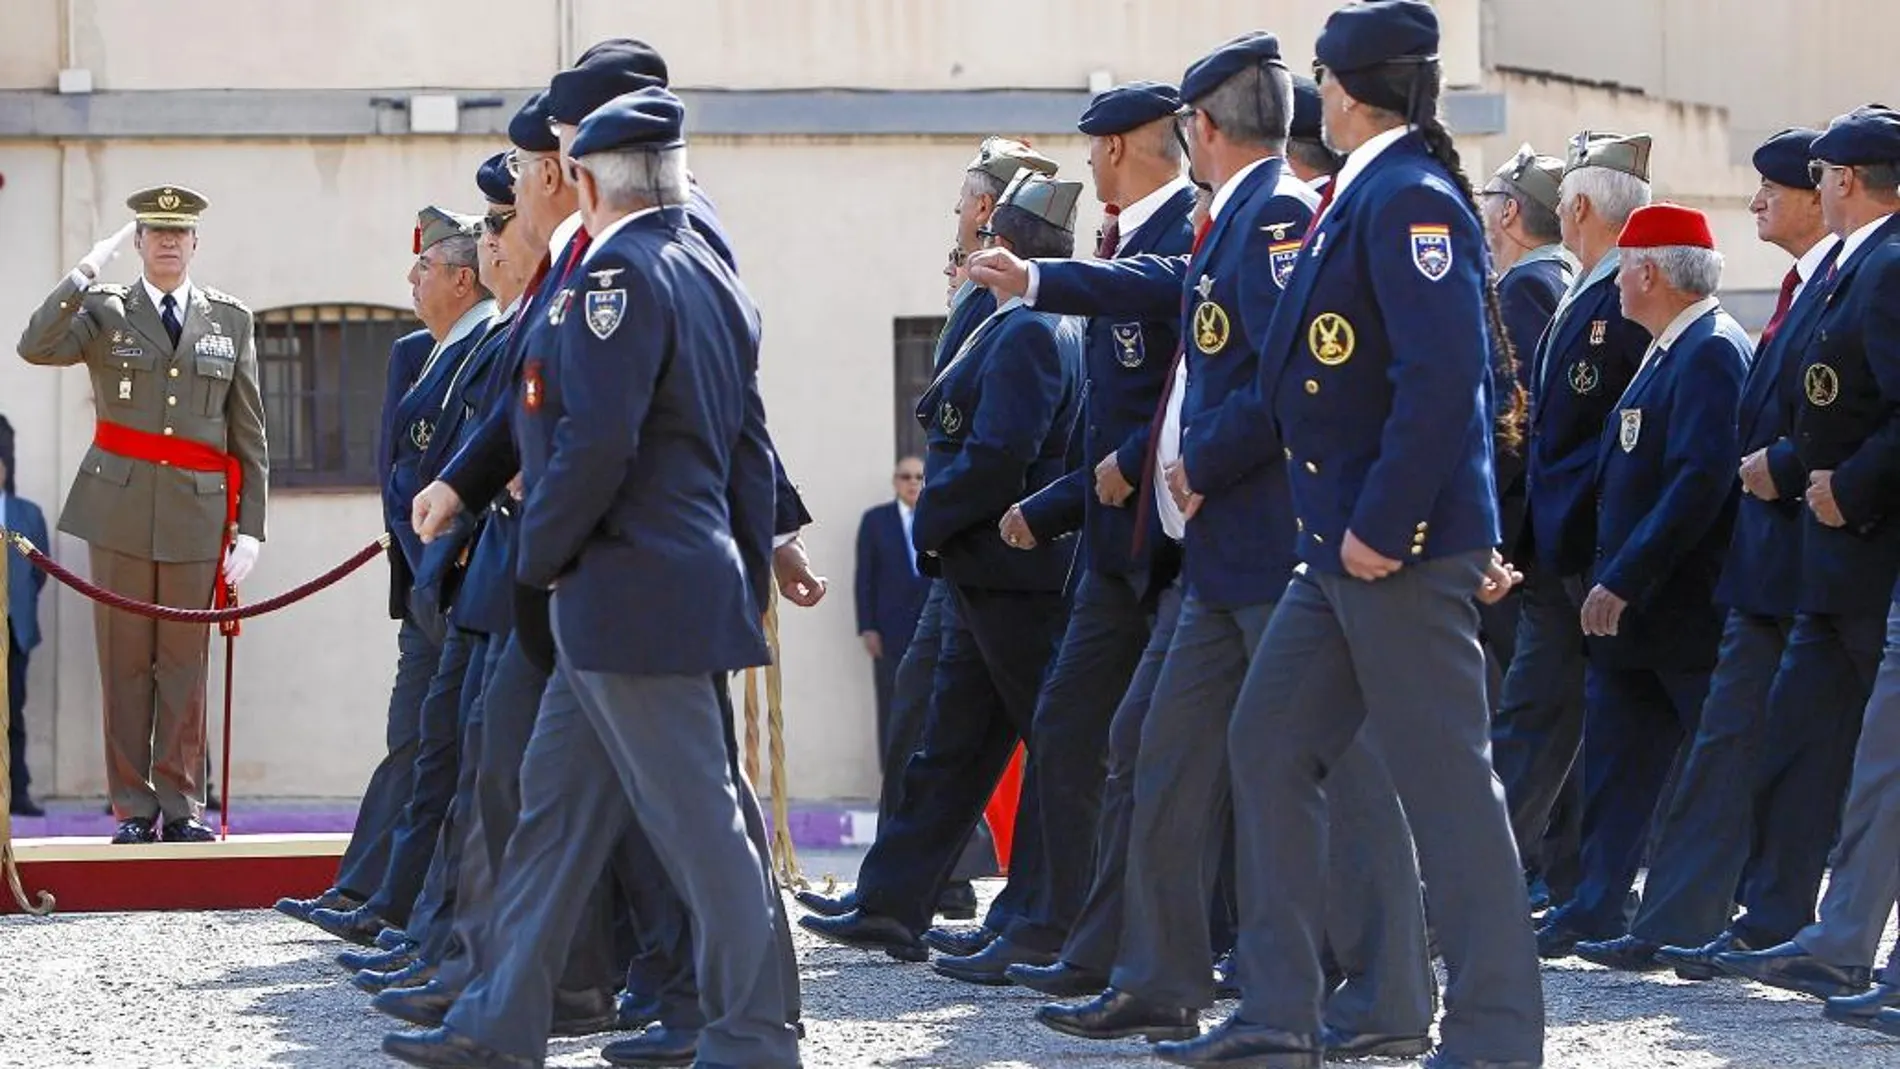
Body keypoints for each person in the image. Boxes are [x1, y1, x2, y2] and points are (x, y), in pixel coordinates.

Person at [384, 84, 801, 1069]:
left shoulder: (614, 278)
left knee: (704, 832)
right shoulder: (704, 271)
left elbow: (593, 448)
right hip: (644, 594)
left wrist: (538, 553)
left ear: (580, 177)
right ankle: (500, 1018)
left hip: (630, 591)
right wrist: (753, 563)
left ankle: (753, 1035)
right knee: (552, 821)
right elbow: (744, 444)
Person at [1174, 3, 1545, 1065]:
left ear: (1343, 92)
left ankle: (1493, 1035)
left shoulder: (1408, 197)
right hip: (1335, 548)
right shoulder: (1360, 195)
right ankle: (1279, 1013)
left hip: (1397, 548)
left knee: (1447, 790)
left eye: (1325, 85)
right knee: (1267, 741)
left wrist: (1389, 523)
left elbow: (1441, 383)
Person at [933, 79, 1195, 987]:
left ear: (1122, 146)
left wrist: (1039, 278)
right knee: (1073, 728)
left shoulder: (1189, 230)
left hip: (1172, 543)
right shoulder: (1130, 236)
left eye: (1094, 146)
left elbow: (1174, 378)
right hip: (1110, 544)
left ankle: (1129, 935)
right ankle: (1052, 922)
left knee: (1155, 743)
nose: (1086, 161)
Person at [800, 169, 1085, 964]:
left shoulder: (1031, 329)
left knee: (1058, 752)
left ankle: (1049, 918)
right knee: (948, 751)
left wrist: (930, 518)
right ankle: (893, 905)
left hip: (1015, 575)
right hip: (985, 573)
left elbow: (999, 457)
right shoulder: (1024, 323)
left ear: (1007, 249)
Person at [1573, 128, 1838, 976]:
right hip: (1661, 602)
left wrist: (1625, 573)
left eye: (1624, 268)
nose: (1616, 281)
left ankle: (1726, 915)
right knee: (1646, 765)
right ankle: (1643, 913)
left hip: (1691, 599)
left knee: (1727, 761)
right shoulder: (1667, 349)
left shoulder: (1711, 349)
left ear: (1649, 270)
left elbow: (1696, 482)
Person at [1714, 105, 1900, 1025]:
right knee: (1848, 754)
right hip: (1834, 548)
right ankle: (1832, 939)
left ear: (1851, 180)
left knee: (1876, 756)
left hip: (1867, 541)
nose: (1812, 188)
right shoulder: (1859, 263)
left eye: (1821, 174)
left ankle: (1841, 941)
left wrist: (1842, 483)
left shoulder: (1890, 263)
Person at [16, 185, 267, 846]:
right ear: (137, 242)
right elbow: (35, 344)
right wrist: (83, 271)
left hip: (196, 514)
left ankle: (181, 805)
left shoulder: (229, 319)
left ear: (194, 243)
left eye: (178, 233)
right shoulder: (105, 310)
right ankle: (133, 805)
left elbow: (250, 434)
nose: (166, 242)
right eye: (155, 231)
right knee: (124, 662)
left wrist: (252, 529)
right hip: (119, 509)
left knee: (185, 664)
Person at [312, 207, 497, 948]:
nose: (410, 280)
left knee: (447, 746)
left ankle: (410, 910)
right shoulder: (423, 351)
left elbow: (466, 466)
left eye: (422, 267)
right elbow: (397, 469)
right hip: (424, 574)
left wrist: (440, 566)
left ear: (460, 275)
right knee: (414, 738)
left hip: (458, 577)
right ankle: (382, 895)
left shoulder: (488, 343)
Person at [1493, 129, 1653, 920]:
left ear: (1582, 206)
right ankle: (1560, 884)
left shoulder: (1620, 293)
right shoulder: (1585, 285)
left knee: (1545, 717)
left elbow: (1608, 433)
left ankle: (1506, 882)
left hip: (1583, 543)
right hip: (1563, 542)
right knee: (1555, 717)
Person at [1477, 144, 1571, 708]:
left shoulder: (1527, 287)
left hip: (1513, 527)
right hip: (1531, 522)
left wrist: (1477, 516)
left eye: (1489, 199)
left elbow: (1513, 419)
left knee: (1525, 697)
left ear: (1510, 212)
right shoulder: (1557, 276)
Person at [855, 456, 931, 764]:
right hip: (889, 631)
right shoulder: (876, 521)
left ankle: (924, 781)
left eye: (918, 477)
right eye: (905, 476)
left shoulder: (935, 516)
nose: (912, 482)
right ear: (895, 481)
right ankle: (892, 781)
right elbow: (865, 577)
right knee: (891, 702)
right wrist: (868, 627)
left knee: (930, 703)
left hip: (931, 626)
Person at [1, 418, 49, 817]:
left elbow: (40, 574)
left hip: (14, 631)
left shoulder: (27, 514)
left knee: (12, 712)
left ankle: (17, 790)